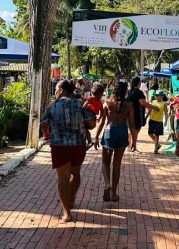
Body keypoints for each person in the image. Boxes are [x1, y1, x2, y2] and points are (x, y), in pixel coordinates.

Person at [40, 80, 89, 223]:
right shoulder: (80, 104)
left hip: (59, 145)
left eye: (56, 89)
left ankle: (67, 212)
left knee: (63, 178)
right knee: (76, 173)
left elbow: (44, 124)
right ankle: (71, 197)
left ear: (61, 90)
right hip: (78, 145)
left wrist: (46, 132)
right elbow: (91, 123)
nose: (55, 92)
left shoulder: (52, 105)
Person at [94, 82, 134, 202]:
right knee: (117, 164)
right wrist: (134, 141)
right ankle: (114, 193)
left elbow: (101, 121)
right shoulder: (129, 105)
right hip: (122, 131)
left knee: (105, 162)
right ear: (125, 92)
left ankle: (107, 184)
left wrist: (95, 137)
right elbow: (132, 124)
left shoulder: (107, 103)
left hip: (109, 131)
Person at [126, 77, 159, 152]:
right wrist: (154, 107)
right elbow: (143, 103)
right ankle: (133, 146)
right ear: (138, 83)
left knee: (131, 130)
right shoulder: (139, 93)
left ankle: (129, 146)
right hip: (137, 114)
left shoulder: (129, 91)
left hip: (129, 114)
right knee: (136, 130)